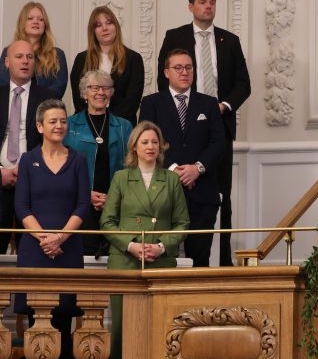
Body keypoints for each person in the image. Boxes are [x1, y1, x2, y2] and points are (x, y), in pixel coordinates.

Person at [157, 0, 250, 266]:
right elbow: (165, 82)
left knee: (221, 195)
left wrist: (220, 107)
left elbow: (243, 84)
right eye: (202, 2)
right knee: (176, 197)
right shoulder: (175, 36)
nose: (208, 7)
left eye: (212, 2)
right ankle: (177, 259)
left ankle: (222, 260)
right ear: (191, 6)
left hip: (218, 126)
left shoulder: (229, 40)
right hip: (181, 128)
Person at [101, 121, 189, 359]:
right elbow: (107, 222)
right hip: (125, 263)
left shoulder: (171, 179)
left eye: (154, 142)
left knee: (161, 332)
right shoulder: (120, 178)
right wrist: (131, 246)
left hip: (160, 263)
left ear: (160, 146)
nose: (150, 147)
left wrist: (162, 247)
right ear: (134, 147)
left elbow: (183, 224)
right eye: (144, 142)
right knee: (123, 333)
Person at [14, 99, 90, 359]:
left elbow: (83, 204)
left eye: (62, 121)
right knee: (38, 322)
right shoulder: (27, 160)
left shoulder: (79, 159)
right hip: (35, 249)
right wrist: (45, 238)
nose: (59, 126)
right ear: (39, 126)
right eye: (53, 121)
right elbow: (21, 206)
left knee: (64, 320)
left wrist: (61, 237)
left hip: (68, 249)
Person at [139, 49, 224, 267]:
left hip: (202, 194)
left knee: (200, 259)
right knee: (164, 258)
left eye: (188, 67)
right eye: (178, 68)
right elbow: (146, 142)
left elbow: (219, 144)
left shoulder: (208, 104)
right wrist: (175, 169)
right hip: (163, 192)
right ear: (166, 72)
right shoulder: (151, 103)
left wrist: (197, 168)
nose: (184, 72)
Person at [64, 70, 133, 257]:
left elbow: (132, 168)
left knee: (116, 258)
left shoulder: (124, 126)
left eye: (106, 88)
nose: (100, 92)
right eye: (94, 88)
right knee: (84, 258)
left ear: (111, 93)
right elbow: (62, 169)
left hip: (116, 204)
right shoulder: (68, 126)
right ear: (84, 93)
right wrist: (86, 194)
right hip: (79, 203)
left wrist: (113, 196)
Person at [1, 40, 58, 253]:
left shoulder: (48, 97)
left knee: (31, 249)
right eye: (19, 57)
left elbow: (55, 141)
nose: (25, 61)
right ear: (7, 62)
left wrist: (27, 169)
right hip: (1, 177)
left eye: (30, 57)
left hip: (35, 179)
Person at [69, 7, 145, 124]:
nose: (105, 28)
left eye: (109, 23)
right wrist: (94, 122)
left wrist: (110, 124)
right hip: (87, 126)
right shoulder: (81, 59)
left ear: (116, 27)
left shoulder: (133, 59)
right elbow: (79, 98)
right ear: (93, 31)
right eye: (98, 25)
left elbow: (132, 101)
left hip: (121, 127)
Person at [0, 2, 69, 98]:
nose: (36, 22)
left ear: (45, 25)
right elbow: (3, 84)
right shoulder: (8, 51)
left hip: (46, 109)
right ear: (22, 23)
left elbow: (58, 90)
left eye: (41, 19)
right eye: (30, 18)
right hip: (15, 107)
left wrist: (32, 102)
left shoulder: (58, 55)